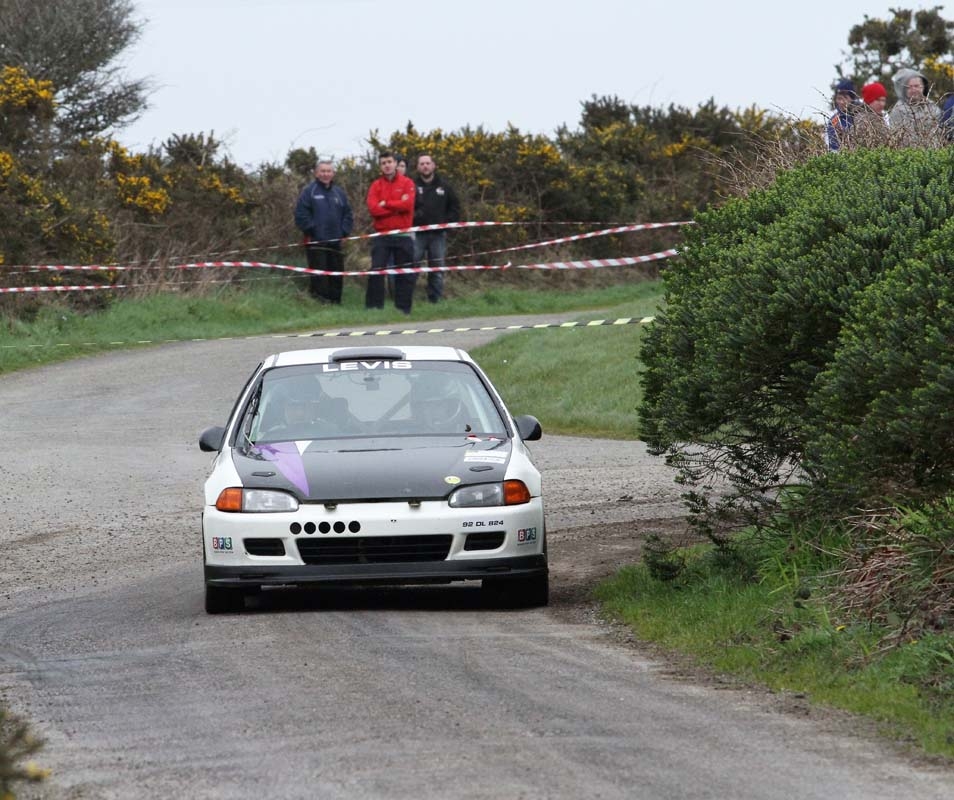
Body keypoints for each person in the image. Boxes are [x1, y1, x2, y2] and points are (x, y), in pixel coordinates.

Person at [293, 159, 354, 303]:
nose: (326, 174)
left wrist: (344, 232)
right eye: (323, 171)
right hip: (316, 241)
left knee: (336, 272)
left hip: (336, 241)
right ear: (316, 173)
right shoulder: (309, 191)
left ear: (333, 173)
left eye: (328, 171)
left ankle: (336, 302)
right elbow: (301, 215)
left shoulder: (339, 192)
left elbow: (348, 214)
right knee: (319, 274)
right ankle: (320, 302)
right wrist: (313, 230)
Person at [366, 150, 417, 313]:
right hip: (382, 236)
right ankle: (374, 308)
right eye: (383, 163)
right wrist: (395, 206)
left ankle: (403, 310)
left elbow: (407, 206)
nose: (387, 165)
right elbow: (374, 209)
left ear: (395, 163)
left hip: (403, 235)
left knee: (405, 273)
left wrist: (385, 203)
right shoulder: (376, 185)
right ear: (380, 166)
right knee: (377, 271)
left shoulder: (407, 183)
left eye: (389, 162)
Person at [413, 154, 461, 303]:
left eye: (428, 163)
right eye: (422, 164)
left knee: (437, 269)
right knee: (412, 266)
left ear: (433, 166)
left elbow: (455, 207)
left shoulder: (445, 186)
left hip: (438, 235)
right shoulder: (412, 186)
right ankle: (406, 299)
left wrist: (447, 223)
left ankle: (435, 300)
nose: (425, 166)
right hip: (417, 234)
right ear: (418, 167)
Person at [889, 68, 941, 147]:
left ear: (923, 87)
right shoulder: (899, 111)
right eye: (909, 87)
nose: (913, 90)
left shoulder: (933, 107)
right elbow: (903, 141)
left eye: (916, 86)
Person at [851, 81, 890, 148]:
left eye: (883, 100)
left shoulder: (882, 119)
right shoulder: (862, 121)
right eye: (878, 100)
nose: (882, 104)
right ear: (869, 100)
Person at [825, 79, 857, 152]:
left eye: (845, 98)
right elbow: (833, 147)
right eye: (839, 98)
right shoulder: (834, 120)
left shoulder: (860, 116)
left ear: (852, 99)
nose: (842, 102)